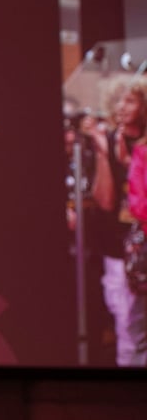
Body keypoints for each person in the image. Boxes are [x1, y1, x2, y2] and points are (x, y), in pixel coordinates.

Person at [92, 75, 147, 366]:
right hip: (119, 249)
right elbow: (105, 202)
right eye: (118, 100)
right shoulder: (109, 140)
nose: (122, 107)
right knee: (128, 328)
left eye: (130, 100)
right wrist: (103, 154)